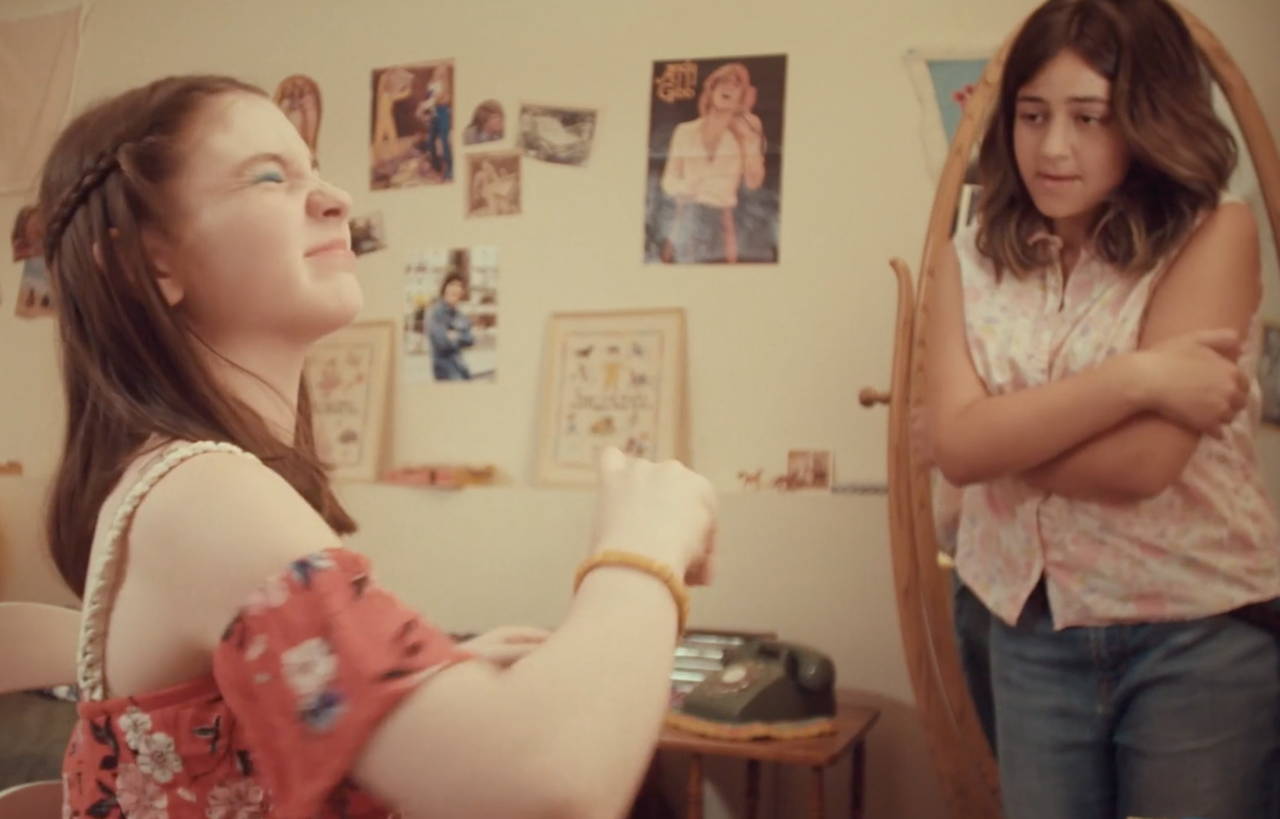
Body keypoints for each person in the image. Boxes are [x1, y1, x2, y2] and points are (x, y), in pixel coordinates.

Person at [41, 74, 717, 818]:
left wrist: (419, 684)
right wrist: (644, 544)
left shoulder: (183, 482)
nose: (337, 199)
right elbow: (542, 787)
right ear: (149, 261)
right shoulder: (202, 492)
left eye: (316, 170)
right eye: (271, 177)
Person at [923, 1, 1280, 817]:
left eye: (1089, 117)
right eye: (1032, 114)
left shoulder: (1214, 231)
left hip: (1194, 629)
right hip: (1024, 624)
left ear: (1146, 117)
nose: (1054, 146)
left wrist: (990, 435)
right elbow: (955, 445)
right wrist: (1140, 379)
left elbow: (1142, 465)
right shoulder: (971, 253)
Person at [659, 62, 765, 264]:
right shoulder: (684, 130)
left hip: (721, 222)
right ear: (712, 89)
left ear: (742, 96)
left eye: (736, 85)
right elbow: (668, 181)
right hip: (686, 219)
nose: (728, 88)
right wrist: (691, 188)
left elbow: (754, 182)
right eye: (722, 82)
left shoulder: (749, 130)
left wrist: (747, 141)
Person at [427, 272, 475, 379]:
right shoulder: (435, 313)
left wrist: (455, 336)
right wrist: (460, 337)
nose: (456, 289)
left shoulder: (459, 314)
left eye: (459, 286)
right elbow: (442, 343)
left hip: (462, 369)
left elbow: (471, 339)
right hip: (445, 371)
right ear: (444, 288)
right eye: (452, 284)